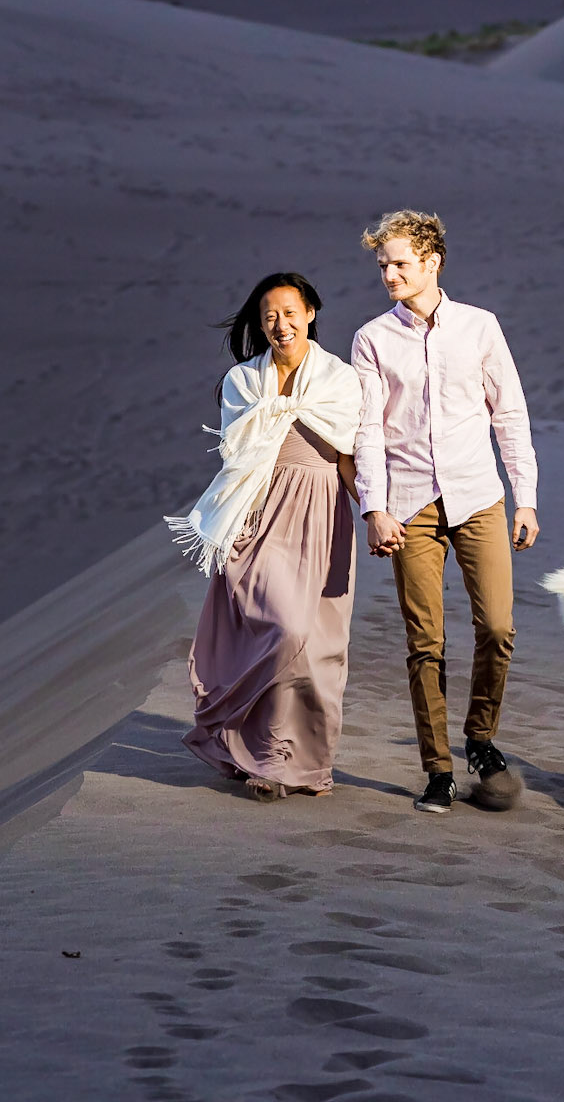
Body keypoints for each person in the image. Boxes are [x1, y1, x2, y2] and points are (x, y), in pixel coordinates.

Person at [352, 210, 539, 814]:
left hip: (478, 496)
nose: (390, 275)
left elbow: (509, 414)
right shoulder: (372, 339)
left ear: (432, 262)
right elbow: (367, 432)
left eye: (400, 264)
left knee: (499, 628)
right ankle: (438, 770)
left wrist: (526, 497)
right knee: (424, 642)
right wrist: (374, 509)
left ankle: (480, 739)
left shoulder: (480, 326)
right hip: (410, 506)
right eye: (383, 265)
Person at [167, 273, 362, 799]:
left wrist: (375, 514)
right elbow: (238, 458)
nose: (281, 325)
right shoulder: (243, 382)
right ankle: (253, 743)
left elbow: (348, 456)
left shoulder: (340, 380)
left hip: (322, 515)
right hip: (259, 515)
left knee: (317, 649)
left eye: (290, 313)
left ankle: (298, 766)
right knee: (283, 628)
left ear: (311, 313)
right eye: (270, 316)